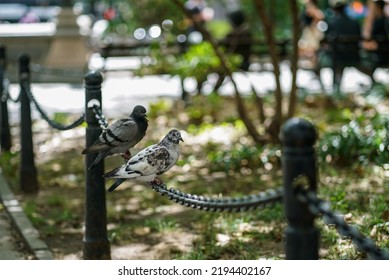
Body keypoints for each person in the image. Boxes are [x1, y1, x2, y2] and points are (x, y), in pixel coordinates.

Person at [316, 0, 363, 91]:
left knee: (319, 60)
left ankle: (332, 88)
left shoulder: (332, 23)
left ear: (335, 10)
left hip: (337, 57)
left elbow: (325, 40)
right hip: (354, 55)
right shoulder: (354, 22)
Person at [362, 0, 389, 69]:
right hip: (381, 52)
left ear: (378, 7)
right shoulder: (383, 19)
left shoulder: (380, 21)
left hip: (381, 54)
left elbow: (367, 35)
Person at [298, 0, 325, 66]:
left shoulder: (317, 12)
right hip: (308, 32)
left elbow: (320, 17)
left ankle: (314, 64)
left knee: (313, 48)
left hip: (314, 33)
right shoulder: (305, 13)